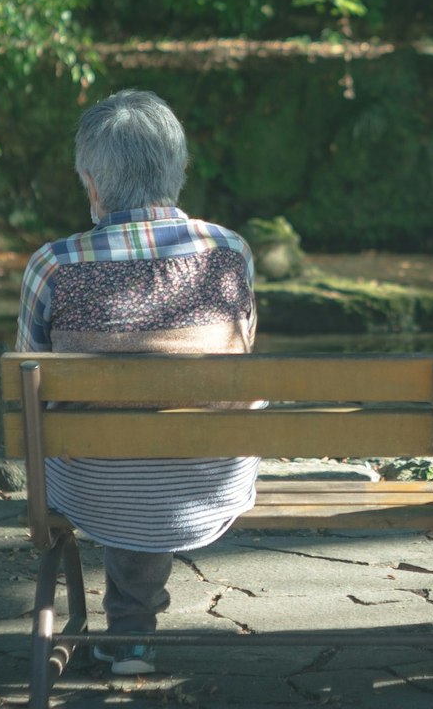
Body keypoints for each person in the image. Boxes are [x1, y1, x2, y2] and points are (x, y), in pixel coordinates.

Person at [16, 89, 259, 677]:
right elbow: (247, 360)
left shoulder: (53, 266)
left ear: (92, 185)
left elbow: (28, 382)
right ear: (177, 171)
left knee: (105, 447)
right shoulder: (229, 253)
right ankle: (130, 628)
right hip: (210, 474)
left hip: (95, 481)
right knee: (163, 444)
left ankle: (129, 634)